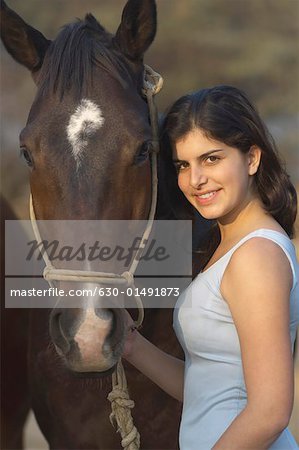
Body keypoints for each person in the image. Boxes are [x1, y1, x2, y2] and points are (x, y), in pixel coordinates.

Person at [123, 85, 299, 449]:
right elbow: (210, 391)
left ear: (252, 158)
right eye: (183, 165)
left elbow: (270, 412)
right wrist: (131, 345)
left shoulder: (256, 256)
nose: (195, 180)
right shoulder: (228, 248)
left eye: (212, 159)